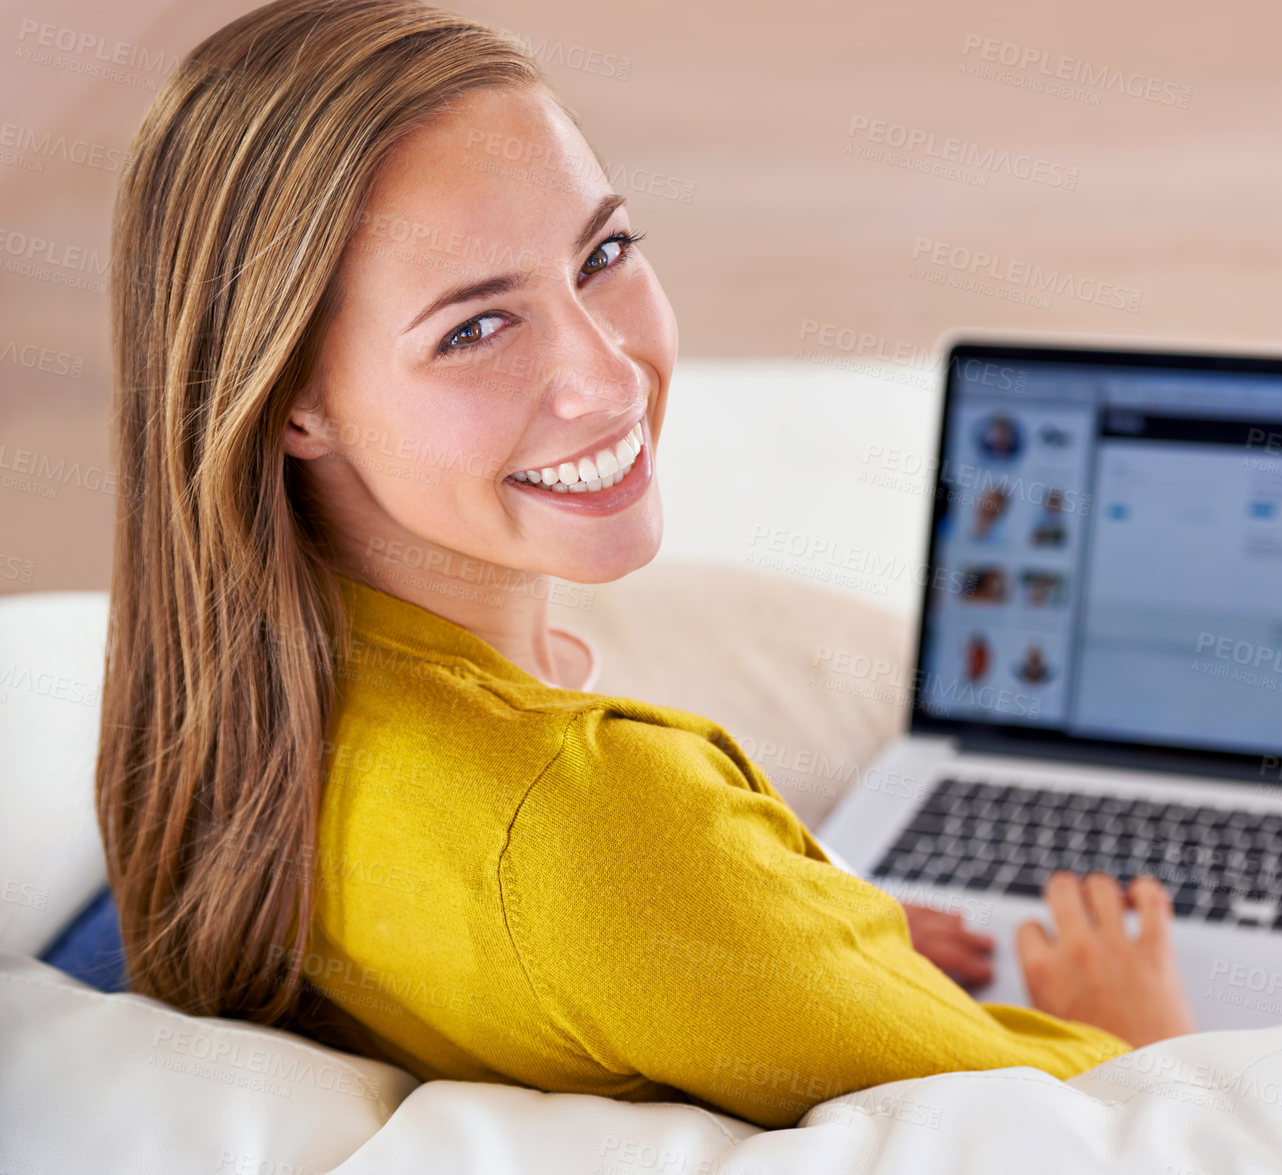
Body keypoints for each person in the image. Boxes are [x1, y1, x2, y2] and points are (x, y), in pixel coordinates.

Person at [95, 0, 1195, 1131]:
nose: (610, 375)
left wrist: (785, 947)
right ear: (289, 402)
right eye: (474, 328)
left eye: (602, 254)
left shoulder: (223, 715)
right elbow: (1127, 1124)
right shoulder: (607, 817)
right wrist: (1143, 1026)